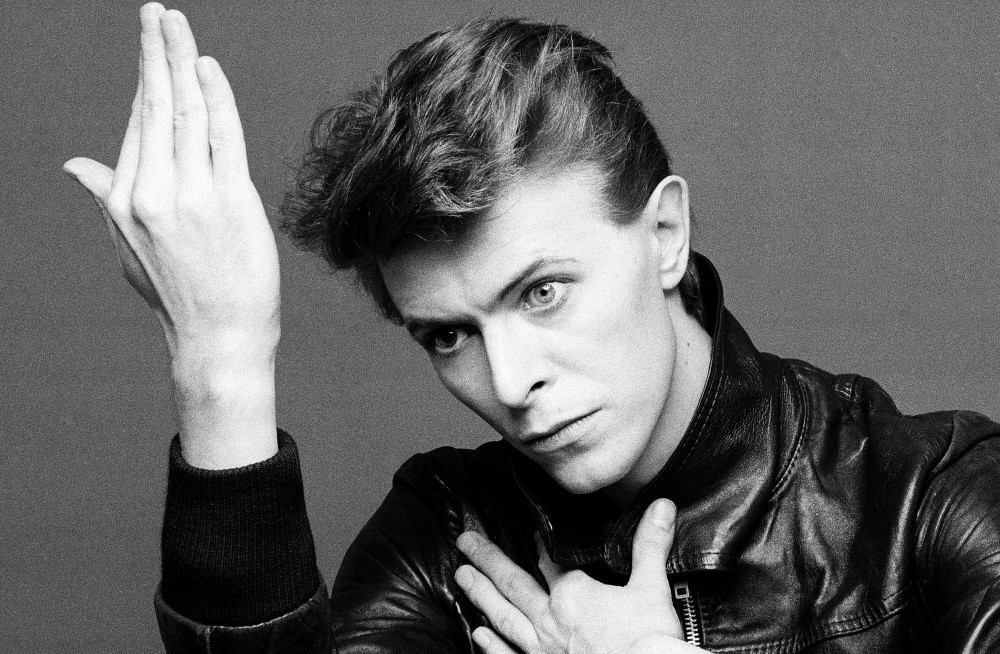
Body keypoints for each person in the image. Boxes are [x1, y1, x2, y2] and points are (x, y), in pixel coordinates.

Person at [63, 4, 1000, 653]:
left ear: (665, 236)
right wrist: (220, 359)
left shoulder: (930, 498)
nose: (510, 383)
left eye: (543, 292)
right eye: (449, 336)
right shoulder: (446, 541)